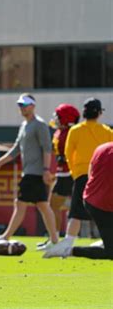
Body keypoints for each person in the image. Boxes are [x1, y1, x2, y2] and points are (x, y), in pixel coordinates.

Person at [44, 98, 113, 258]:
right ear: (99, 113)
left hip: (85, 174)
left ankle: (69, 241)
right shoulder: (107, 131)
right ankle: (69, 243)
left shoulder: (76, 130)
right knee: (79, 209)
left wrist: (76, 173)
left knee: (77, 210)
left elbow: (69, 153)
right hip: (104, 176)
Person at [0, 93, 59, 247]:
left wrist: (46, 169)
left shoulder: (39, 124)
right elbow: (15, 150)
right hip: (29, 172)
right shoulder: (24, 125)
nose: (22, 108)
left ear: (33, 106)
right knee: (42, 205)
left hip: (36, 173)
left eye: (25, 105)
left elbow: (47, 149)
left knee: (22, 204)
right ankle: (54, 241)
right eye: (20, 105)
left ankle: (5, 237)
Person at [42, 104, 80, 244]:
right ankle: (55, 238)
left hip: (68, 173)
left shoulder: (71, 132)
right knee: (54, 205)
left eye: (59, 116)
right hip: (63, 172)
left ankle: (55, 239)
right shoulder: (61, 131)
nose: (56, 118)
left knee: (53, 206)